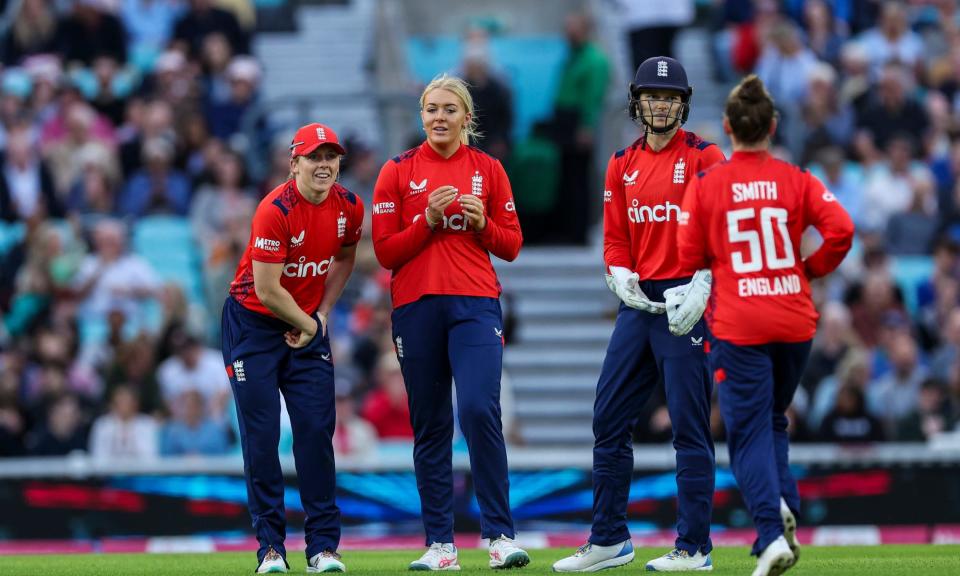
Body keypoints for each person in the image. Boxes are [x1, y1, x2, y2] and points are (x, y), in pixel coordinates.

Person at [675, 75, 854, 576]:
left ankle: (771, 535)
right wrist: (809, 270)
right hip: (795, 320)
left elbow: (690, 257)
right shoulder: (797, 178)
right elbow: (842, 229)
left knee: (746, 432)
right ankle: (784, 503)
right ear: (772, 126)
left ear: (728, 128)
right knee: (773, 417)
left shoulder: (707, 186)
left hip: (741, 324)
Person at [553, 56, 725, 573]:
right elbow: (614, 238)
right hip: (639, 304)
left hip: (687, 303)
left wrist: (705, 280)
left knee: (689, 427)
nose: (660, 104)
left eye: (669, 98)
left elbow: (725, 224)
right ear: (636, 101)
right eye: (652, 96)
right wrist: (618, 273)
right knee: (607, 418)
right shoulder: (621, 162)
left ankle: (695, 547)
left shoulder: (705, 156)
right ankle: (609, 539)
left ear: (684, 103)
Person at [371, 74, 527, 571]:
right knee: (431, 425)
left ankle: (500, 536)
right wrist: (428, 221)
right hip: (416, 308)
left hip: (475, 303)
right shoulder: (396, 171)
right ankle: (441, 545)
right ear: (422, 115)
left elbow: (512, 244)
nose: (439, 117)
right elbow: (385, 251)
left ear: (466, 117)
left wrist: (482, 223)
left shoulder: (489, 169)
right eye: (431, 108)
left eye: (449, 109)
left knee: (481, 410)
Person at [221, 122, 364, 574]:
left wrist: (321, 315)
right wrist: (310, 323)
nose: (324, 165)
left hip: (305, 325)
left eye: (331, 157)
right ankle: (270, 549)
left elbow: (344, 258)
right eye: (314, 157)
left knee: (316, 434)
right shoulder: (275, 209)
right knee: (262, 439)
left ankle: (323, 548)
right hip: (255, 326)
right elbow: (267, 289)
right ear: (294, 163)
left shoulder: (350, 206)